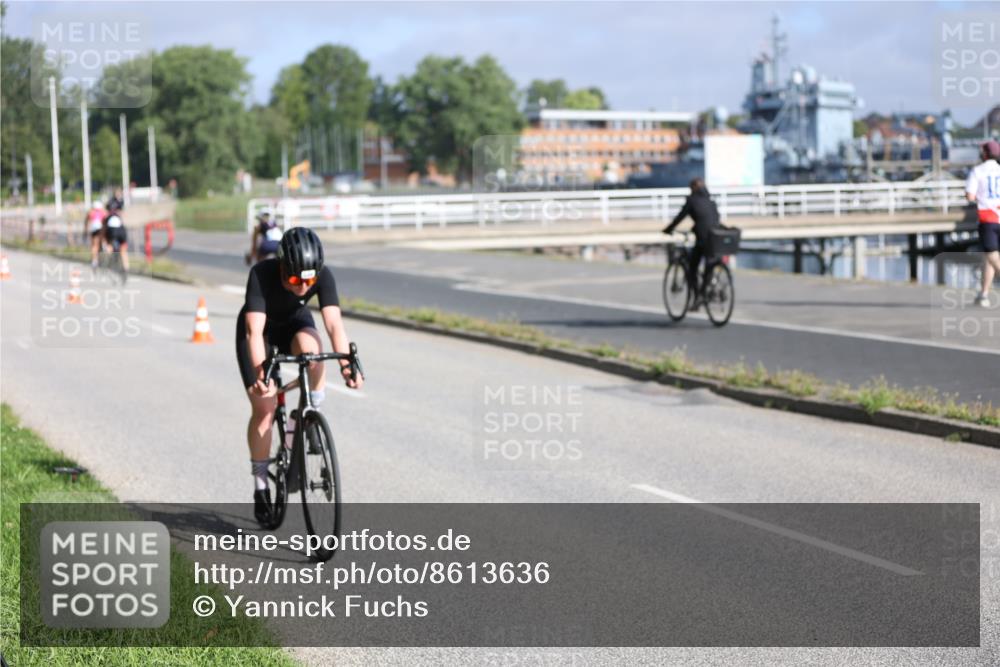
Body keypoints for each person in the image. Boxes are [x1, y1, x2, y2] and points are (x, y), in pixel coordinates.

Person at [236, 227, 362, 525]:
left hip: (295, 323)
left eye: (310, 280)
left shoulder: (322, 275)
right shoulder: (261, 274)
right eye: (295, 280)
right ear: (282, 268)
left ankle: (309, 413)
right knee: (265, 409)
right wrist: (262, 374)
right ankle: (261, 487)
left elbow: (334, 325)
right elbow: (254, 332)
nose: (304, 287)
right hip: (262, 333)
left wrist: (347, 366)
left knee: (314, 354)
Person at [662, 177, 721, 308]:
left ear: (693, 188)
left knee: (692, 268)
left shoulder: (692, 200)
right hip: (715, 237)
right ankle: (708, 288)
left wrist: (668, 229)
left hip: (703, 238)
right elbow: (714, 218)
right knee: (710, 264)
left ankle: (699, 296)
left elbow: (680, 217)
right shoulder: (710, 200)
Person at [965, 140, 1000, 307]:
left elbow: (970, 196)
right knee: (989, 258)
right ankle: (983, 294)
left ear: (984, 154)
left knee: (991, 254)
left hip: (988, 217)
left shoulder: (977, 171)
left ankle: (984, 294)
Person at [102, 209, 130, 276]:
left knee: (109, 247)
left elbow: (104, 231)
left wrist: (104, 243)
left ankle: (108, 265)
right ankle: (126, 267)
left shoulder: (107, 217)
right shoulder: (118, 216)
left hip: (112, 231)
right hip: (121, 232)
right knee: (123, 251)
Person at [83, 201, 106, 268]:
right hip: (101, 228)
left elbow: (86, 222)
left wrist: (85, 232)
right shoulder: (103, 212)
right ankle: (104, 245)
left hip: (94, 228)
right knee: (101, 243)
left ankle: (94, 261)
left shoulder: (91, 212)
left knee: (94, 245)